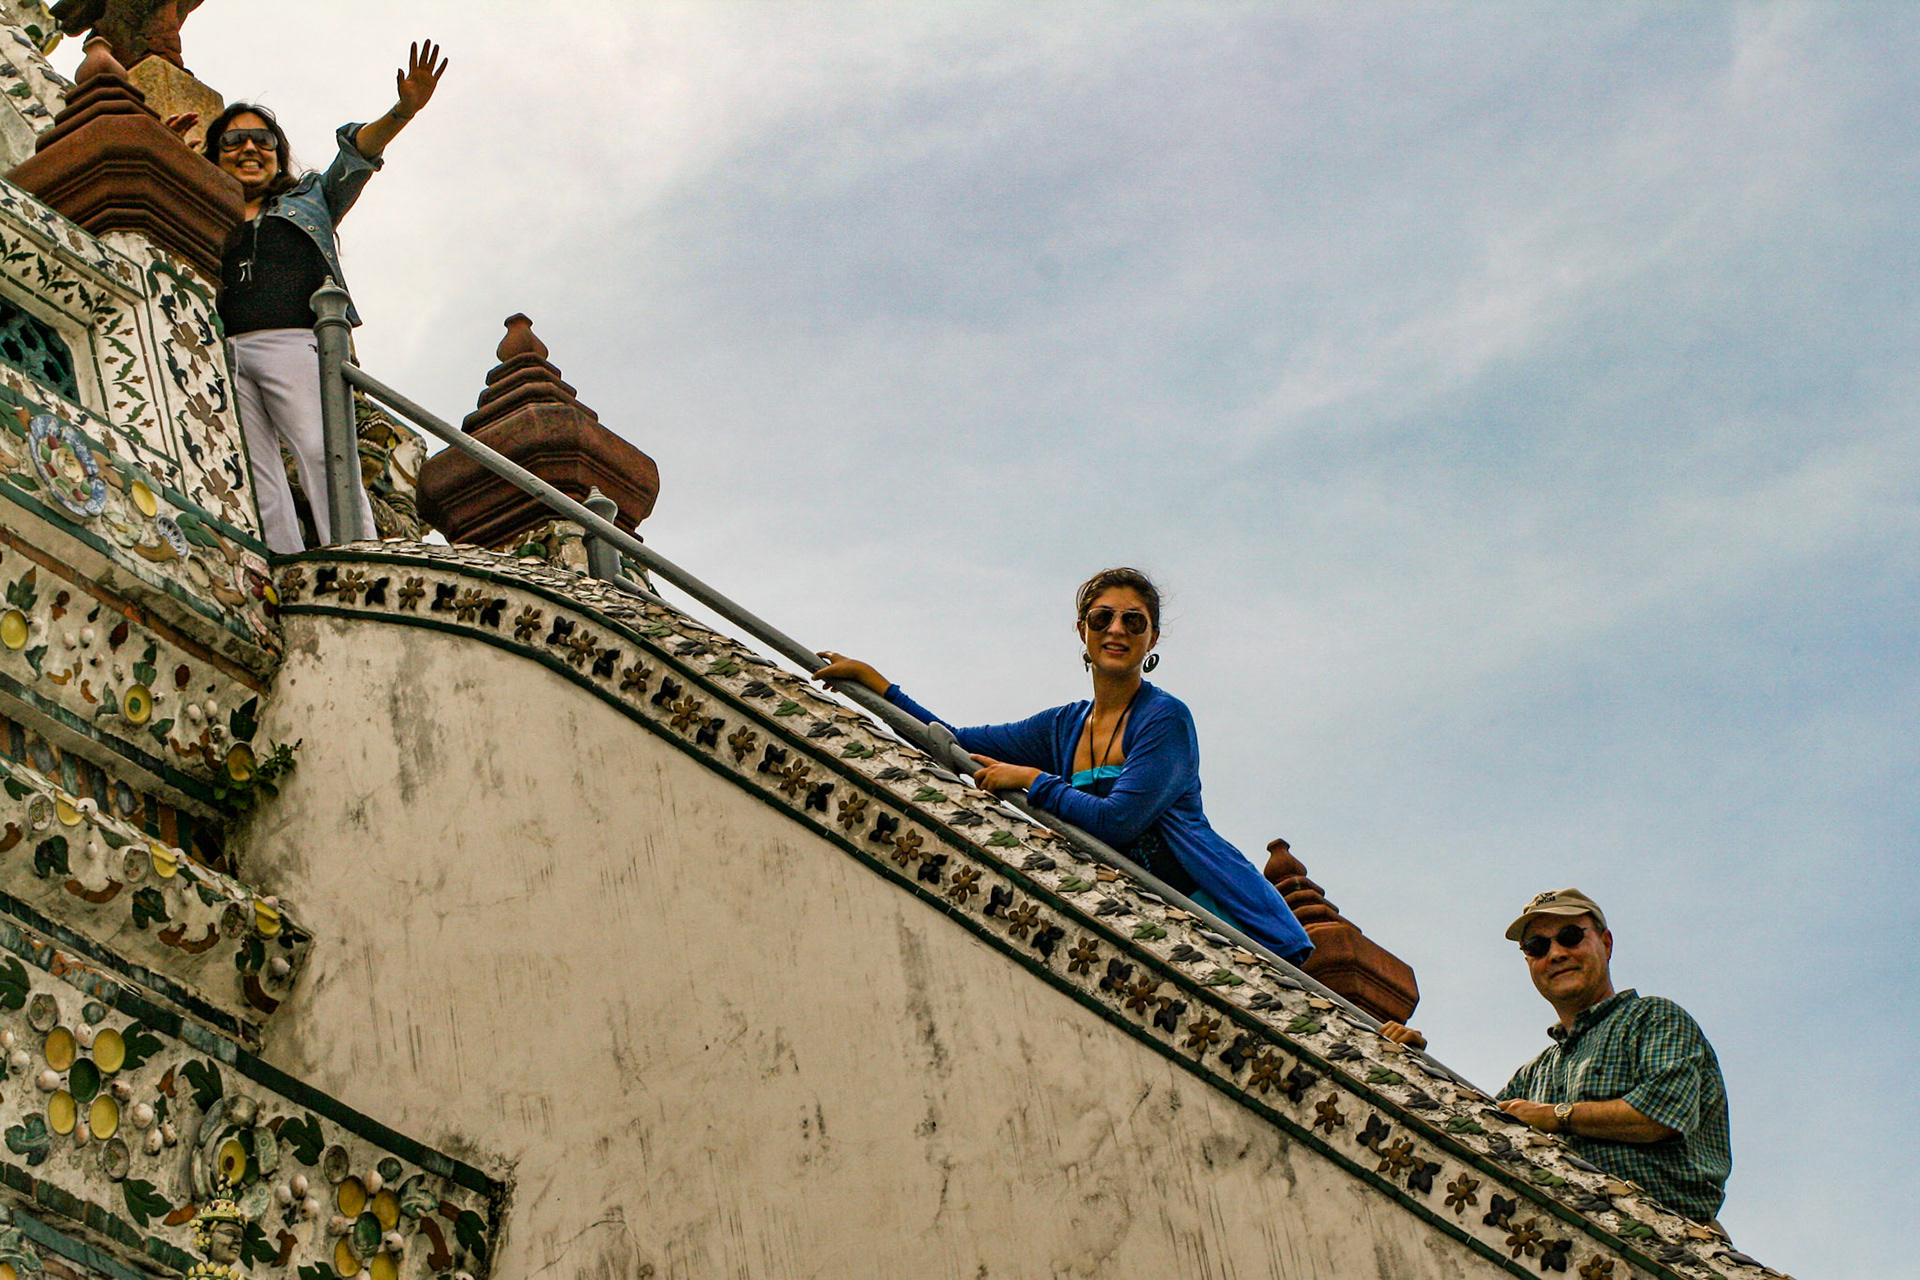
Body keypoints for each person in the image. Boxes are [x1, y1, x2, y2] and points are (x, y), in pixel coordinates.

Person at [815, 567, 1314, 964]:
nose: (1116, 630)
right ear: (1083, 630)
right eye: (1103, 619)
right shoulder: (1062, 727)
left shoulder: (1165, 718)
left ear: (1152, 639)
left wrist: (1032, 781)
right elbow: (956, 744)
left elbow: (1118, 822)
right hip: (1143, 921)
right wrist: (878, 687)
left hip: (1221, 919)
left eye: (1133, 621)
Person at [171, 40, 448, 554]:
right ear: (214, 156)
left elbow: (357, 155)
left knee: (322, 451)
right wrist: (167, 158)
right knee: (253, 471)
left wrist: (402, 112)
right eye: (232, 143)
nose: (249, 150)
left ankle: (359, 557)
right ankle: (280, 562)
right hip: (220, 349)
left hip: (293, 339)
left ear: (277, 155)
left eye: (262, 140)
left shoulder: (309, 199)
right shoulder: (207, 212)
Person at [1383, 888, 1731, 1224]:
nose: (1556, 953)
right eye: (1537, 946)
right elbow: (1477, 1136)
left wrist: (1556, 1116)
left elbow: (1661, 1115)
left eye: (1569, 936)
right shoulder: (1532, 1075)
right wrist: (1414, 1064)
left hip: (1661, 1229)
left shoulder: (1653, 1018)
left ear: (1606, 944)